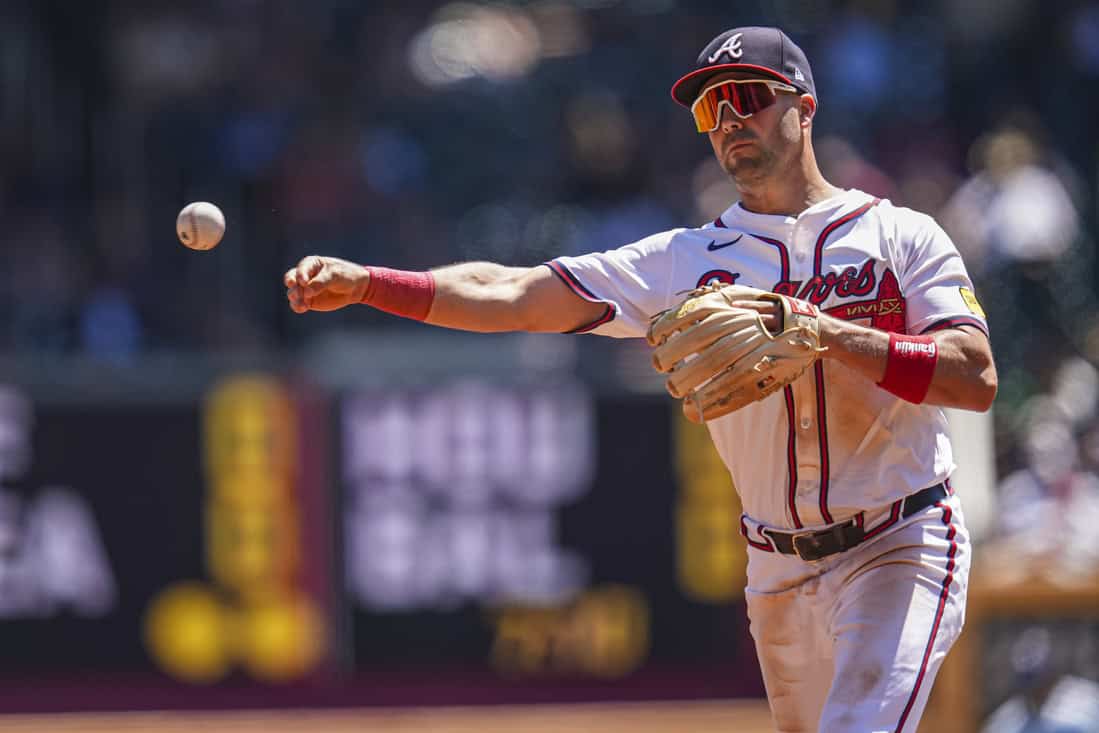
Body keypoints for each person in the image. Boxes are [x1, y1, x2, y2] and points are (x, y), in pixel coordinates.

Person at [284, 25, 997, 733]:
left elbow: (973, 376)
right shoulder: (685, 260)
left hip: (898, 541)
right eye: (708, 110)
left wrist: (831, 334)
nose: (727, 122)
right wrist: (372, 284)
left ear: (803, 106)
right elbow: (514, 292)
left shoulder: (901, 236)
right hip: (776, 565)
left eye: (746, 97)